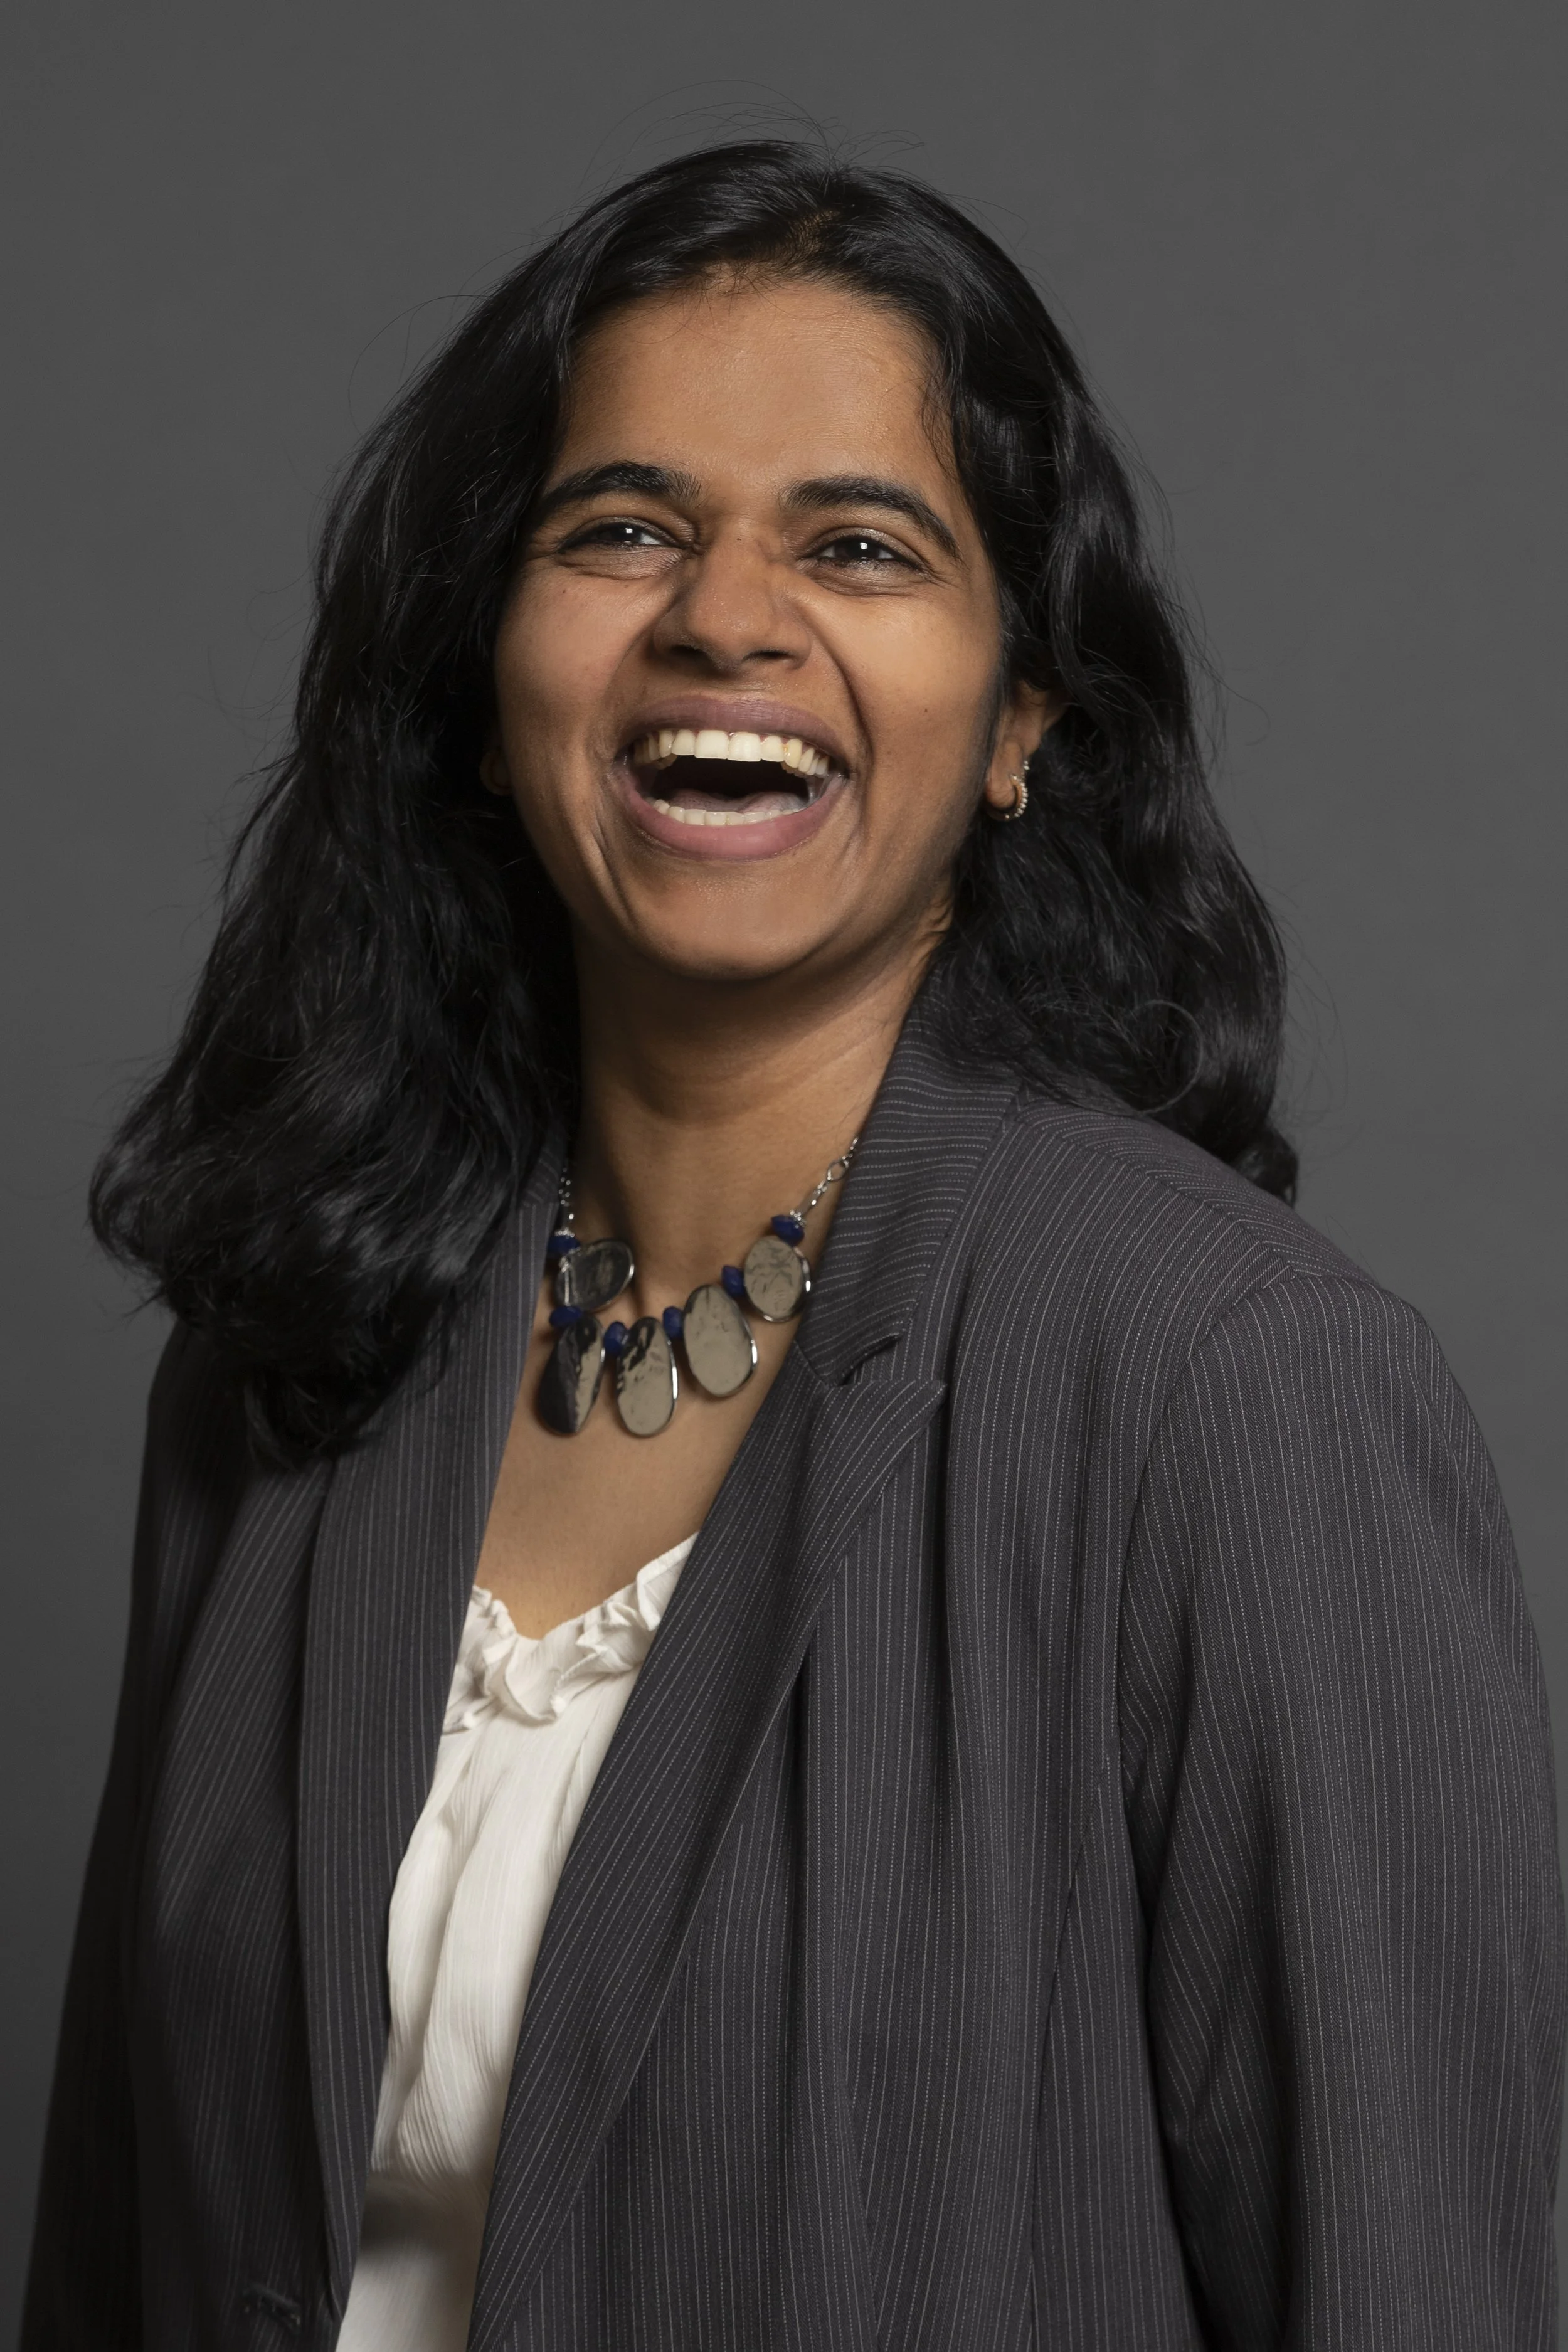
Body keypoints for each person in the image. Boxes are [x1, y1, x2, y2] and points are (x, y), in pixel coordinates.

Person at [23, 142, 1563, 2352]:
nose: (723, 616)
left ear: (1026, 709)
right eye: (621, 527)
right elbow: (107, 2245)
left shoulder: (1234, 1388)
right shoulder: (290, 1341)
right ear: (487, 671)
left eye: (858, 542)